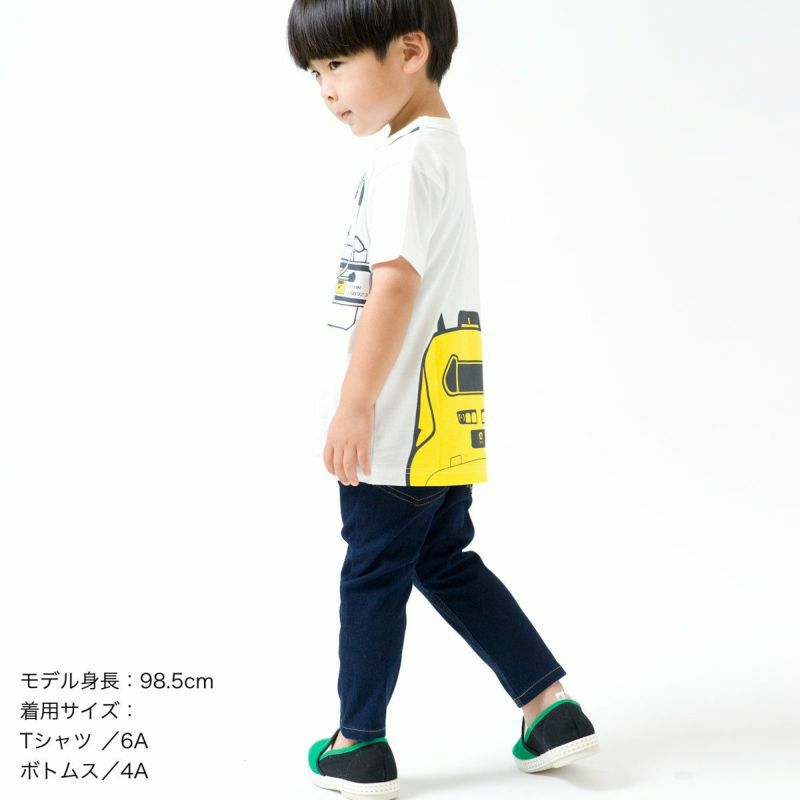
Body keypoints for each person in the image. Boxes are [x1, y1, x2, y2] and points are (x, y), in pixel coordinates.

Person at [287, 1, 599, 797]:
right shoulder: (440, 147)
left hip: (398, 421)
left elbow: (394, 285)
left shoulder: (403, 161)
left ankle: (358, 742)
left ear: (411, 50)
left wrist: (356, 403)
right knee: (444, 560)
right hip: (445, 413)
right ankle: (549, 707)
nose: (326, 90)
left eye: (337, 64)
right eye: (315, 73)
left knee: (373, 573)